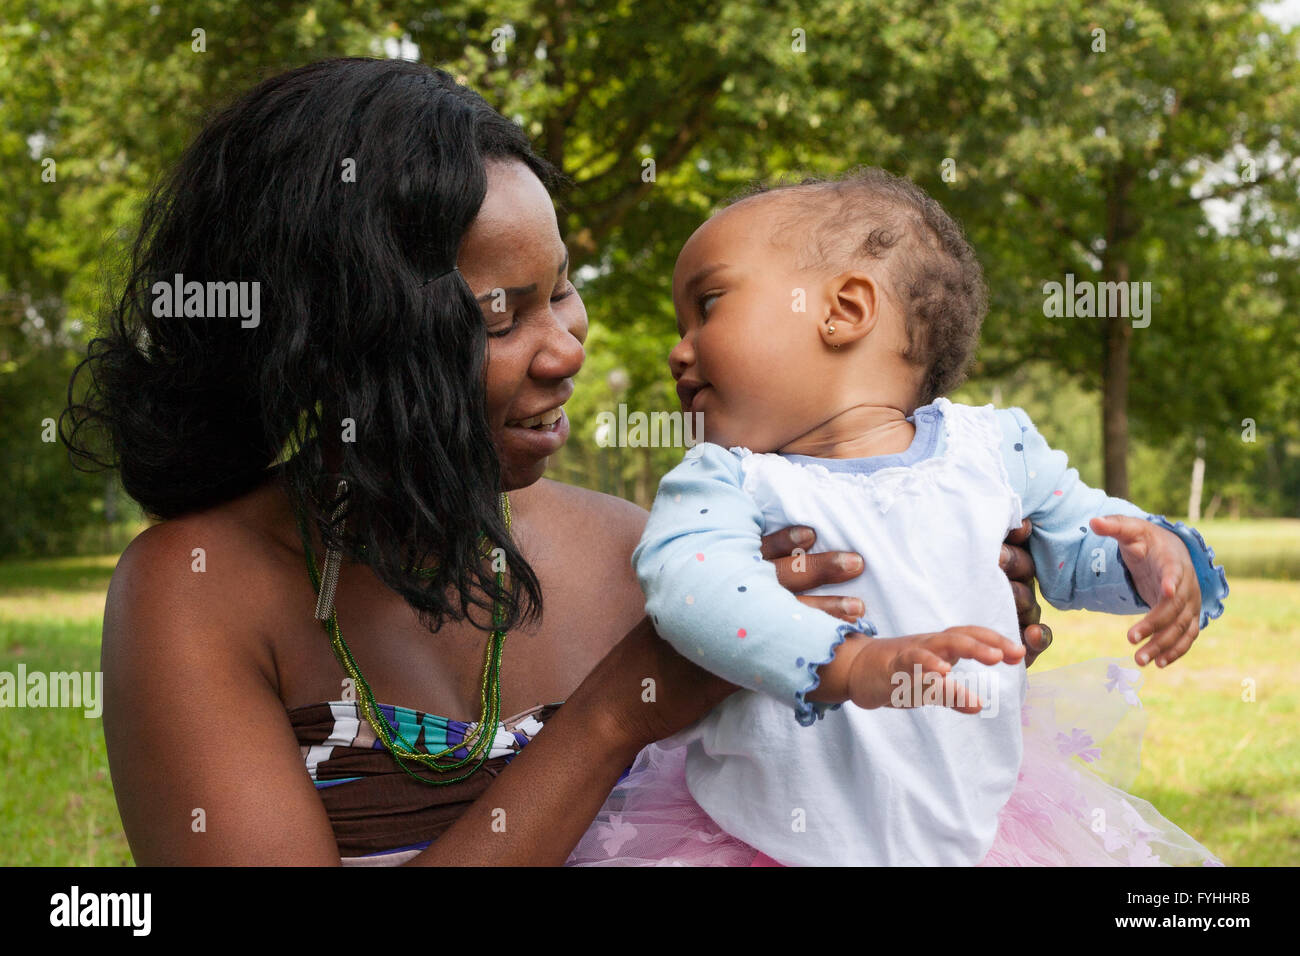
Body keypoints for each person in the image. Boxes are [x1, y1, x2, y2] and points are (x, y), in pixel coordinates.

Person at [61, 60, 1051, 866]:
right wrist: (618, 709)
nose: (567, 346)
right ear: (344, 343)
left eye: (562, 290)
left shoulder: (649, 553)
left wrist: (938, 605)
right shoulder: (196, 591)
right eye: (502, 313)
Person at [567, 168, 1228, 867]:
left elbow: (1078, 539)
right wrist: (847, 664)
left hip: (980, 834)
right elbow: (689, 589)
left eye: (709, 304)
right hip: (763, 842)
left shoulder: (991, 448)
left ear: (846, 310)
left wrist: (1157, 558)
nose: (678, 348)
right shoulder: (724, 479)